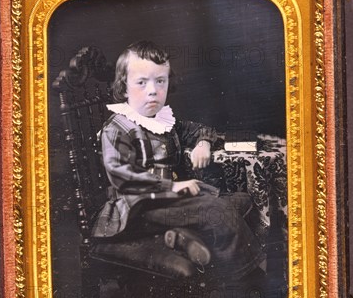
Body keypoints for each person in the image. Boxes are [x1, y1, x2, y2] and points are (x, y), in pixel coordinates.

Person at [91, 40, 264, 279]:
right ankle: (248, 283)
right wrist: (172, 186)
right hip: (139, 208)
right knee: (218, 211)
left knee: (242, 200)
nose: (153, 90)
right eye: (141, 82)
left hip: (169, 204)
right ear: (124, 86)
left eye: (160, 81)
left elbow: (197, 130)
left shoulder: (162, 120)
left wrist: (202, 143)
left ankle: (182, 236)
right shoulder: (117, 128)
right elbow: (123, 177)